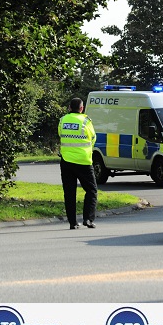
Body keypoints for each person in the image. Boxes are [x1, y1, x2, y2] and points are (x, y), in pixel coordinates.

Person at [58, 98, 97, 229]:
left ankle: (72, 222)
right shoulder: (86, 121)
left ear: (69, 108)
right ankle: (88, 219)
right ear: (82, 108)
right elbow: (92, 138)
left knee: (69, 192)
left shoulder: (63, 120)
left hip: (66, 161)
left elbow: (60, 134)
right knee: (91, 190)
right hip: (83, 161)